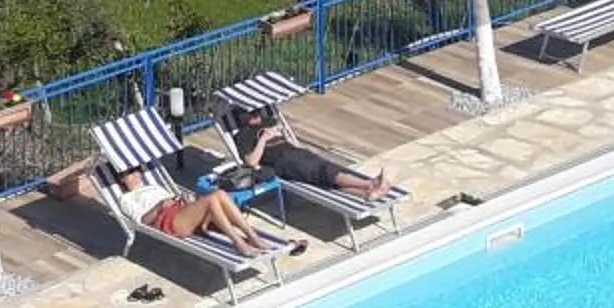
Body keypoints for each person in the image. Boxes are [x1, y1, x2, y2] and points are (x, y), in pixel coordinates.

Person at [226, 103, 402, 201]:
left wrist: (282, 134)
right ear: (243, 118)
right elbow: (251, 162)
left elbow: (286, 139)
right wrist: (263, 139)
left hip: (296, 153)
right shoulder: (244, 135)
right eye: (252, 113)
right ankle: (370, 184)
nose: (257, 114)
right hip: (284, 163)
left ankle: (368, 193)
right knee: (323, 171)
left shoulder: (268, 121)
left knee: (327, 173)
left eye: (257, 111)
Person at [112, 164, 288, 258]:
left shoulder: (153, 186)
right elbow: (142, 220)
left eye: (137, 170)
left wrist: (186, 200)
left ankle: (252, 237)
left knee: (219, 194)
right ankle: (240, 244)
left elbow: (174, 200)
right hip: (170, 221)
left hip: (182, 211)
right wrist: (160, 206)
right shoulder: (126, 199)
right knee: (213, 197)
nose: (136, 174)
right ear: (122, 179)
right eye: (130, 173)